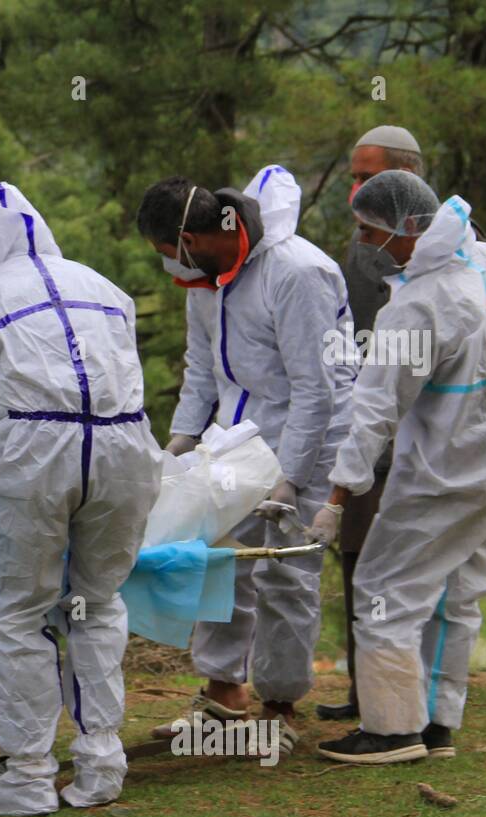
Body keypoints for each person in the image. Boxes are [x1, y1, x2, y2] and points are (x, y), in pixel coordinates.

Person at [0, 182, 161, 816]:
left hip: (34, 451)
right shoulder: (106, 288)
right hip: (125, 447)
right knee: (96, 604)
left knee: (18, 615)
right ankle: (101, 765)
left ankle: (30, 777)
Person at [311, 171, 486, 763]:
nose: (362, 240)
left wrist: (337, 497)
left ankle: (391, 731)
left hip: (447, 473)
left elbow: (374, 408)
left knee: (385, 589)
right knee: (456, 595)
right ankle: (438, 724)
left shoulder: (415, 307)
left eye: (369, 229)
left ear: (407, 228)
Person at [137, 165, 354, 758]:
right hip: (235, 440)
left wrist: (291, 477)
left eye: (167, 252)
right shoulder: (206, 280)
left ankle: (279, 706)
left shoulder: (297, 273)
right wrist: (178, 446)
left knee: (286, 572)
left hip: (308, 437)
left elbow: (316, 389)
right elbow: (201, 371)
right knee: (220, 560)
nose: (169, 265)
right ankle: (222, 697)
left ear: (192, 239)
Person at [318, 125, 425, 722]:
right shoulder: (361, 251)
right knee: (361, 568)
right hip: (369, 442)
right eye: (352, 177)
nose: (355, 188)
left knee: (404, 578)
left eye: (366, 177)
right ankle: (367, 694)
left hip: (420, 442)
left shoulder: (439, 248)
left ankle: (409, 706)